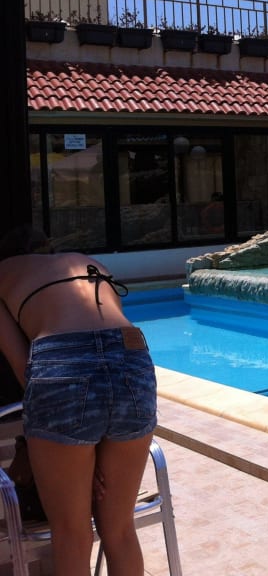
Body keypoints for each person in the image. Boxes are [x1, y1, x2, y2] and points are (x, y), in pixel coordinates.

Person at [0, 226, 156, 576]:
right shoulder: (91, 264)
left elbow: (27, 373)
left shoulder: (4, 274)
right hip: (132, 356)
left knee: (72, 535)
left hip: (62, 361)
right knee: (119, 530)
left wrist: (75, 452)